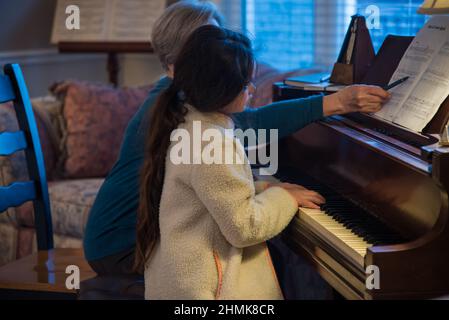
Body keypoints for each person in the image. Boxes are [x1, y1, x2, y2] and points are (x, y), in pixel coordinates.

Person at [83, 0, 390, 286]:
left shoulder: (181, 99)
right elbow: (251, 128)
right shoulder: (182, 114)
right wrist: (334, 104)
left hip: (138, 236)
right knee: (262, 259)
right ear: (193, 56)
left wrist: (263, 190)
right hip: (120, 246)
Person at [137, 24, 328, 299]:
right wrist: (284, 199)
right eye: (245, 83)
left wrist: (268, 190)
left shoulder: (189, 121)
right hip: (205, 290)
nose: (251, 88)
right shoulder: (214, 143)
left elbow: (217, 194)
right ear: (220, 90)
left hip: (181, 279)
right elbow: (244, 227)